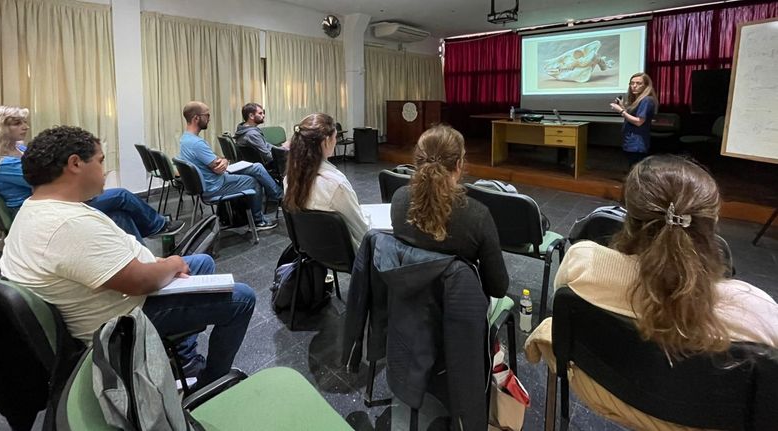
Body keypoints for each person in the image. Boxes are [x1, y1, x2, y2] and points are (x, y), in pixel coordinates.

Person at [525, 155, 778, 429]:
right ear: (711, 223)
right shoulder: (757, 311)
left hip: (603, 391)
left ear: (627, 216)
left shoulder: (581, 263)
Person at [0, 125, 256, 387]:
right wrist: (171, 264)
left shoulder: (37, 209)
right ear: (75, 164)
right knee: (242, 298)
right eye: (100, 161)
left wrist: (157, 264)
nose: (105, 170)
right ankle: (212, 380)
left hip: (113, 297)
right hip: (121, 324)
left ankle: (185, 358)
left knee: (202, 262)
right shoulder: (68, 225)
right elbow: (140, 282)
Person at [0, 105, 182, 242]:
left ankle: (140, 259)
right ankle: (157, 227)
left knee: (119, 214)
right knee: (121, 195)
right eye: (17, 123)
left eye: (24, 122)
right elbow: (50, 179)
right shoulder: (1, 164)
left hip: (53, 203)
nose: (25, 127)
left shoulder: (18, 150)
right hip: (42, 213)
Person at [390, 125, 508, 298]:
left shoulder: (399, 198)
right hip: (458, 311)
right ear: (459, 164)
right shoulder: (477, 216)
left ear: (417, 161)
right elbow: (498, 288)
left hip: (408, 301)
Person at [179, 101, 281, 230]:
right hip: (214, 185)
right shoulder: (197, 143)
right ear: (196, 118)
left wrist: (222, 161)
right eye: (207, 115)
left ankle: (278, 196)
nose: (209, 119)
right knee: (254, 181)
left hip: (208, 182)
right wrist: (224, 161)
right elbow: (218, 169)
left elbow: (216, 162)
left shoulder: (185, 139)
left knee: (256, 167)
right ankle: (259, 220)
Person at [283, 113, 368, 249]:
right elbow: (362, 232)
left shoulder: (289, 179)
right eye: (335, 137)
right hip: (345, 255)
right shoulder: (335, 185)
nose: (335, 142)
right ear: (326, 141)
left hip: (312, 251)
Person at [610, 72, 659, 167]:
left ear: (646, 85)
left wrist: (621, 111)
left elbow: (639, 122)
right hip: (631, 140)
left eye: (638, 83)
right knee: (633, 166)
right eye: (632, 83)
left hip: (637, 142)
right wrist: (623, 107)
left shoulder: (646, 100)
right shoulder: (638, 100)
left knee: (636, 168)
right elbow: (632, 116)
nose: (634, 86)